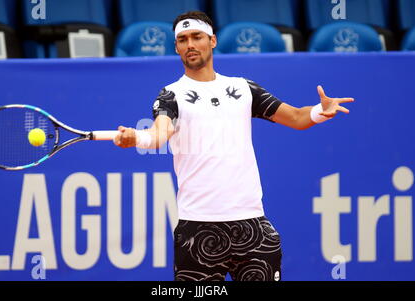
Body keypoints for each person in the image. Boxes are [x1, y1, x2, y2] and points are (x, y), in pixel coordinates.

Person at [113, 11, 354, 281]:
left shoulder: (243, 89)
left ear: (212, 40)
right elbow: (159, 135)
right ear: (177, 47)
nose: (190, 44)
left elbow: (297, 118)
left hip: (252, 227)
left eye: (197, 37)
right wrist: (137, 138)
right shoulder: (170, 95)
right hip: (197, 229)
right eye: (182, 39)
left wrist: (319, 111)